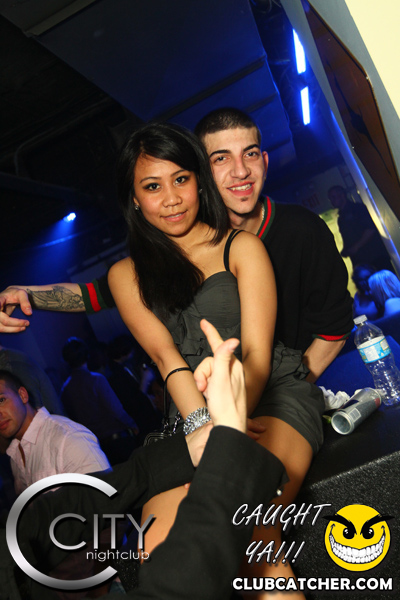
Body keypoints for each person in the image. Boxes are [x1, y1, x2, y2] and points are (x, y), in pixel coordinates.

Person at [0, 109, 353, 384]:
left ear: (265, 161)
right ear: (200, 173)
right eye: (221, 158)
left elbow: (334, 331)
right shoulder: (181, 239)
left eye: (250, 154)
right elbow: (96, 294)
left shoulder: (302, 229)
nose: (240, 171)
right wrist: (26, 294)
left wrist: (286, 399)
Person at [4, 320, 287, 600]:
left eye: (1, 400)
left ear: (23, 394)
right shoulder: (26, 448)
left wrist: (188, 448)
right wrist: (226, 454)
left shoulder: (66, 428)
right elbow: (176, 585)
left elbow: (88, 501)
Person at [61, 337, 139, 464]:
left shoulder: (65, 390)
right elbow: (115, 409)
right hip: (118, 440)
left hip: (97, 448)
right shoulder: (96, 380)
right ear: (87, 355)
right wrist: (132, 424)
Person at [328, 184, 392, 272]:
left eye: (333, 197)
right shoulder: (341, 218)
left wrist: (355, 248)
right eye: (330, 198)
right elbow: (348, 238)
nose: (331, 201)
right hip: (363, 261)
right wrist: (346, 250)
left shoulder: (357, 209)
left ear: (341, 195)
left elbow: (370, 229)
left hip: (375, 257)